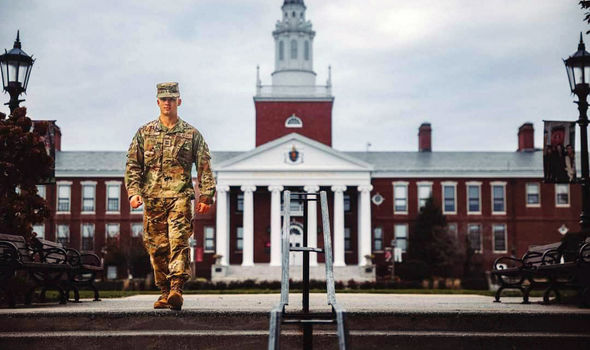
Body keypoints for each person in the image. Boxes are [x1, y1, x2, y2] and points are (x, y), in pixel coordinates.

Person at [124, 82, 216, 310]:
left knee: (178, 242)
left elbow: (204, 165)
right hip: (153, 199)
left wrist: (206, 196)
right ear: (158, 102)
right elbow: (133, 165)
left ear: (179, 102)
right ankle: (164, 291)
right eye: (164, 99)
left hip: (179, 198)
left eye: (172, 99)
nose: (167, 102)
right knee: (156, 247)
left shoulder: (191, 134)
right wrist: (133, 192)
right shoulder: (144, 133)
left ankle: (176, 288)